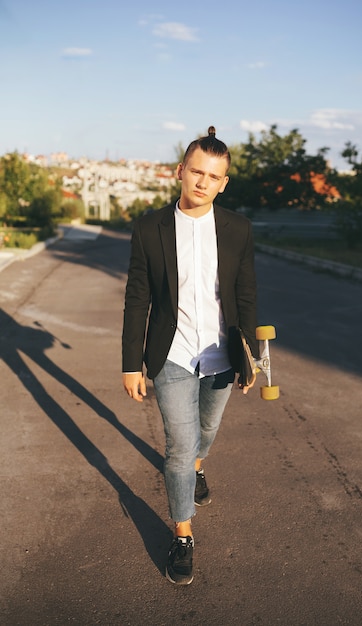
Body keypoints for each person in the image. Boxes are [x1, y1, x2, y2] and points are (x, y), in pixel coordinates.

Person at [122, 126, 259, 585]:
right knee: (179, 446)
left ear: (224, 183)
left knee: (207, 430)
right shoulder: (148, 227)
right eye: (195, 171)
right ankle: (183, 535)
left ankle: (199, 467)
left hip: (221, 353)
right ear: (179, 171)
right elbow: (137, 297)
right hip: (172, 353)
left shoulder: (238, 229)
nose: (201, 182)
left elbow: (246, 293)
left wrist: (252, 355)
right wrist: (130, 363)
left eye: (212, 176)